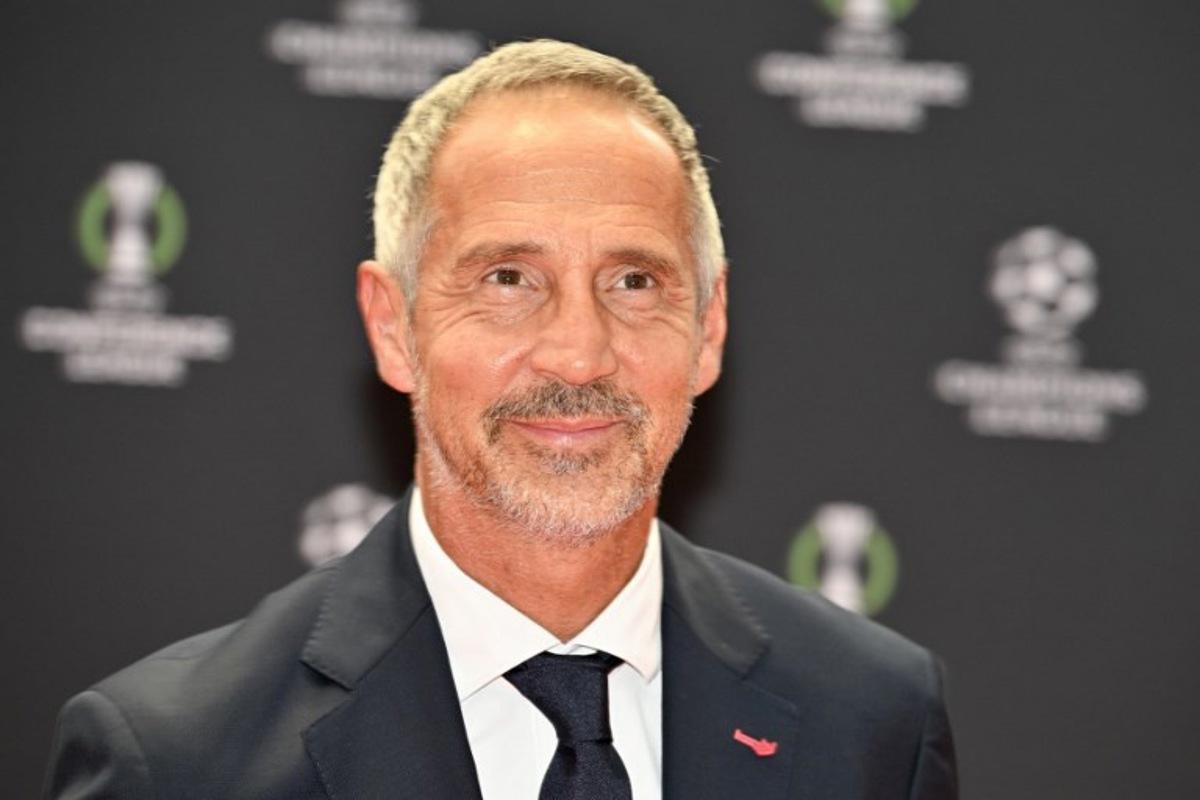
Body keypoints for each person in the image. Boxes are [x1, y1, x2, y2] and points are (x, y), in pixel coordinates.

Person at [44, 40, 957, 799]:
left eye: (634, 282)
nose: (577, 353)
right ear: (393, 326)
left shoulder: (872, 721)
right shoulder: (176, 760)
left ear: (708, 329)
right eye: (507, 280)